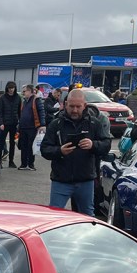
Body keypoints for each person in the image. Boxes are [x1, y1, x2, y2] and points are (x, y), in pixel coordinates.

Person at [40, 87, 110, 215]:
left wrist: (93, 145)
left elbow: (106, 145)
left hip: (85, 181)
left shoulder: (94, 124)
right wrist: (59, 151)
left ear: (85, 105)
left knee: (87, 217)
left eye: (78, 107)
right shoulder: (56, 124)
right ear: (65, 105)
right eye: (71, 106)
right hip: (61, 180)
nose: (75, 110)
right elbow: (44, 149)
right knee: (53, 216)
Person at [17, 84, 45, 170]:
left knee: (31, 146)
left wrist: (42, 125)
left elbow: (41, 112)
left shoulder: (36, 100)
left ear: (30, 91)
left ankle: (31, 164)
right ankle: (23, 164)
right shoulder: (24, 101)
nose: (23, 93)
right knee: (23, 146)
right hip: (23, 127)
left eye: (25, 91)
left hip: (32, 127)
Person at [0, 81, 20, 167]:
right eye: (9, 88)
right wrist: (1, 123)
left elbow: (19, 111)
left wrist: (19, 123)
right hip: (4, 124)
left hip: (14, 123)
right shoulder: (3, 98)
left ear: (15, 88)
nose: (11, 90)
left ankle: (11, 161)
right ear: (7, 88)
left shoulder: (18, 97)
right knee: (1, 143)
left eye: (12, 88)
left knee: (12, 143)